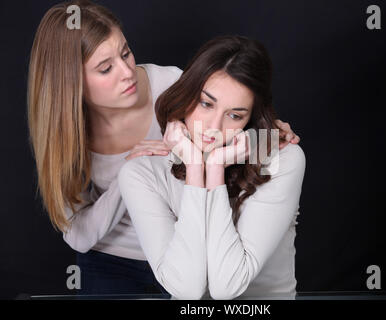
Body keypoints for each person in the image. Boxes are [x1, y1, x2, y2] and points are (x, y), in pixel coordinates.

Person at [27, 0, 300, 295]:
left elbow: (230, 110)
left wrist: (266, 133)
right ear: (72, 84)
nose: (127, 72)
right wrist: (127, 175)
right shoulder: (68, 134)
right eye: (106, 69)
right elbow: (79, 235)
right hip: (112, 260)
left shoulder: (172, 86)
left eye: (126, 52)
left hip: (187, 249)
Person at [118, 35, 306, 300]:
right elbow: (187, 290)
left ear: (250, 118)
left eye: (235, 115)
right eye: (206, 103)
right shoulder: (142, 173)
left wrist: (215, 167)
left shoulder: (282, 160)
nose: (213, 127)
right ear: (187, 94)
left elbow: (226, 287)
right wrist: (196, 167)